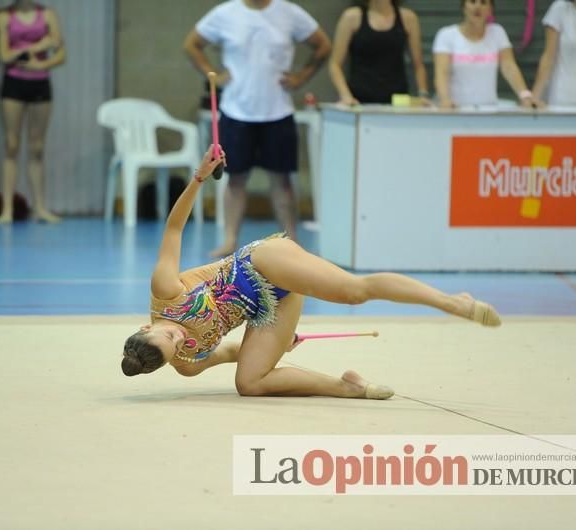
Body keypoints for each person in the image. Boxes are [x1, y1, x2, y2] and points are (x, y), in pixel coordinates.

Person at [121, 145, 502, 400]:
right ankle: (347, 387)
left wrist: (199, 178)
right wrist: (277, 341)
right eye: (176, 344)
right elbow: (233, 351)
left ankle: (451, 301)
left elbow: (173, 229)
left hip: (261, 263)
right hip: (268, 309)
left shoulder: (166, 292)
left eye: (169, 333)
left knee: (354, 291)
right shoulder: (187, 364)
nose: (180, 335)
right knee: (250, 382)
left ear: (146, 326)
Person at [183, 0, 332, 257]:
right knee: (235, 179)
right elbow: (191, 45)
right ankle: (230, 240)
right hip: (236, 110)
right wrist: (213, 75)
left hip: (278, 110)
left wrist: (300, 77)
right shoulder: (225, 13)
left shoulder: (290, 13)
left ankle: (291, 240)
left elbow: (323, 46)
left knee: (282, 181)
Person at [0, 0, 66, 224]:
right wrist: (36, 46)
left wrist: (40, 64)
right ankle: (6, 209)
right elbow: (4, 56)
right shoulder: (5, 16)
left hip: (40, 84)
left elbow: (59, 49)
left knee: (36, 147)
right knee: (11, 145)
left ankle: (40, 207)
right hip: (14, 85)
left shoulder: (47, 14)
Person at [433, 0, 538, 109]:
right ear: (463, 7)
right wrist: (445, 99)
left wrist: (525, 96)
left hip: (489, 109)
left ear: (490, 10)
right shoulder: (446, 35)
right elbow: (442, 73)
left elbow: (509, 67)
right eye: (472, 2)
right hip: (455, 109)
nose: (478, 6)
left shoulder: (498, 33)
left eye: (483, 2)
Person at [329, 0, 430, 106]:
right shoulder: (352, 17)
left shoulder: (408, 18)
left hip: (398, 100)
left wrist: (423, 94)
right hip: (360, 99)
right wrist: (346, 95)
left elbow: (418, 65)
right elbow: (335, 64)